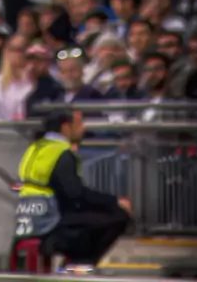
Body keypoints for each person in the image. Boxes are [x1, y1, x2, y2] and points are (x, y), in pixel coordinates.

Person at [14, 111, 131, 273]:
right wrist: (114, 201)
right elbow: (75, 195)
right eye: (79, 124)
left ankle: (76, 262)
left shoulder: (34, 148)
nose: (83, 129)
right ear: (66, 127)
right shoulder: (60, 152)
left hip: (27, 219)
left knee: (90, 216)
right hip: (50, 226)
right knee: (118, 216)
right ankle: (80, 264)